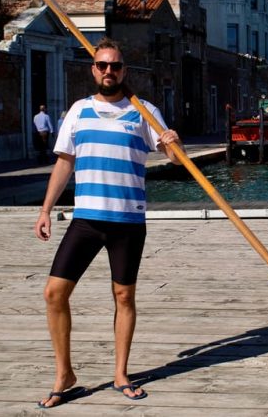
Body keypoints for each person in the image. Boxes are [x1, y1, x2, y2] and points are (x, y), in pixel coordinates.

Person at [34, 37, 183, 408]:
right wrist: (45, 209)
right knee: (54, 293)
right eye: (102, 65)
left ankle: (120, 373)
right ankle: (64, 374)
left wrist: (172, 142)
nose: (108, 71)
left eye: (115, 65)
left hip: (128, 220)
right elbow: (64, 162)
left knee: (124, 296)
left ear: (123, 71)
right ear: (93, 69)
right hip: (86, 218)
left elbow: (177, 160)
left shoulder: (144, 110)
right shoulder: (78, 111)